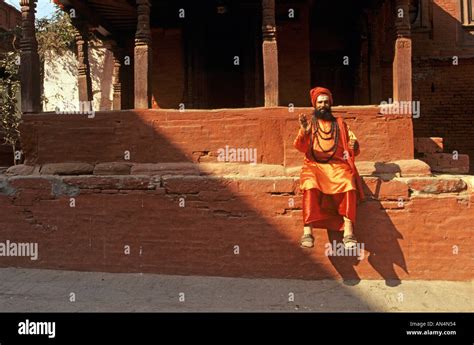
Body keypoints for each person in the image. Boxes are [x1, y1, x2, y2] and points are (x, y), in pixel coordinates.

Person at [293, 87, 365, 249]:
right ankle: (307, 232)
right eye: (320, 102)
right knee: (310, 184)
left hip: (337, 166)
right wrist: (304, 133)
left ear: (330, 103)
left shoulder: (340, 124)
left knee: (348, 182)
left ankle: (348, 232)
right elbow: (301, 147)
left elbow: (353, 148)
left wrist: (354, 146)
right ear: (314, 105)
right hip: (314, 165)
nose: (323, 105)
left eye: (326, 102)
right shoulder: (309, 124)